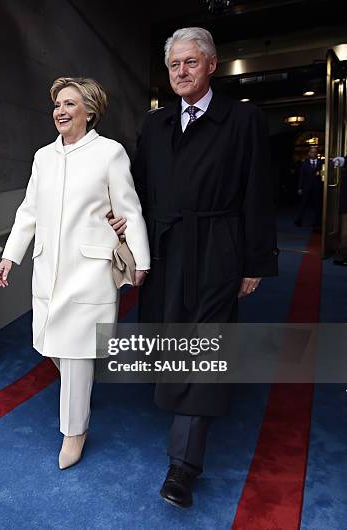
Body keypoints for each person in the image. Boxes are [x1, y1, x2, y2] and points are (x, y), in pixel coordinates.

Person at [111, 27, 278, 507]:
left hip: (217, 247)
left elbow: (258, 194)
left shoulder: (243, 120)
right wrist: (122, 227)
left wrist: (254, 261)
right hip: (165, 249)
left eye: (190, 62)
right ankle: (179, 406)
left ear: (212, 64)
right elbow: (137, 192)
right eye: (173, 66)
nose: (180, 72)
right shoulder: (154, 124)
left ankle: (183, 465)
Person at [0, 77, 150, 470]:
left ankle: (74, 432)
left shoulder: (109, 153)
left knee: (78, 353)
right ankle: (79, 391)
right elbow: (29, 211)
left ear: (89, 111)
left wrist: (141, 260)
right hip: (48, 268)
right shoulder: (42, 157)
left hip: (91, 270)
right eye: (57, 105)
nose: (60, 111)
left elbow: (129, 210)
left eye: (69, 104)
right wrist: (10, 256)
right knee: (50, 345)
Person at [294, 145, 323, 227]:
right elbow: (301, 176)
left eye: (315, 152)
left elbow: (323, 175)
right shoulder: (304, 163)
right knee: (303, 204)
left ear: (317, 153)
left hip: (317, 187)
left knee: (317, 205)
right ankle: (299, 221)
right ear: (309, 153)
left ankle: (317, 222)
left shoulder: (321, 163)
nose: (314, 153)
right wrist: (299, 187)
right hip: (306, 187)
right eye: (312, 152)